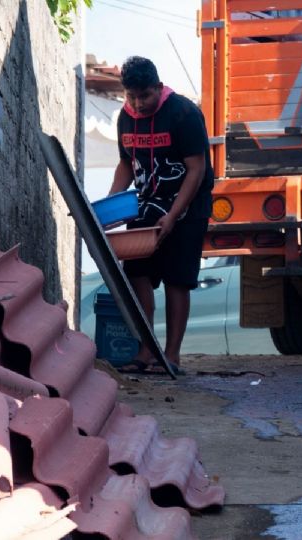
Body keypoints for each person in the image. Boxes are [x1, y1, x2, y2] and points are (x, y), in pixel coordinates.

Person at [109, 56, 214, 373]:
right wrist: (109, 204)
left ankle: (171, 355)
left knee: (177, 280)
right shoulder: (125, 119)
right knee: (137, 273)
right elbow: (126, 164)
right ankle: (146, 351)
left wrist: (173, 216)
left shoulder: (183, 113)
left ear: (158, 87)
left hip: (188, 207)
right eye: (132, 96)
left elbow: (197, 170)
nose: (138, 104)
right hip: (144, 205)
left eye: (144, 96)